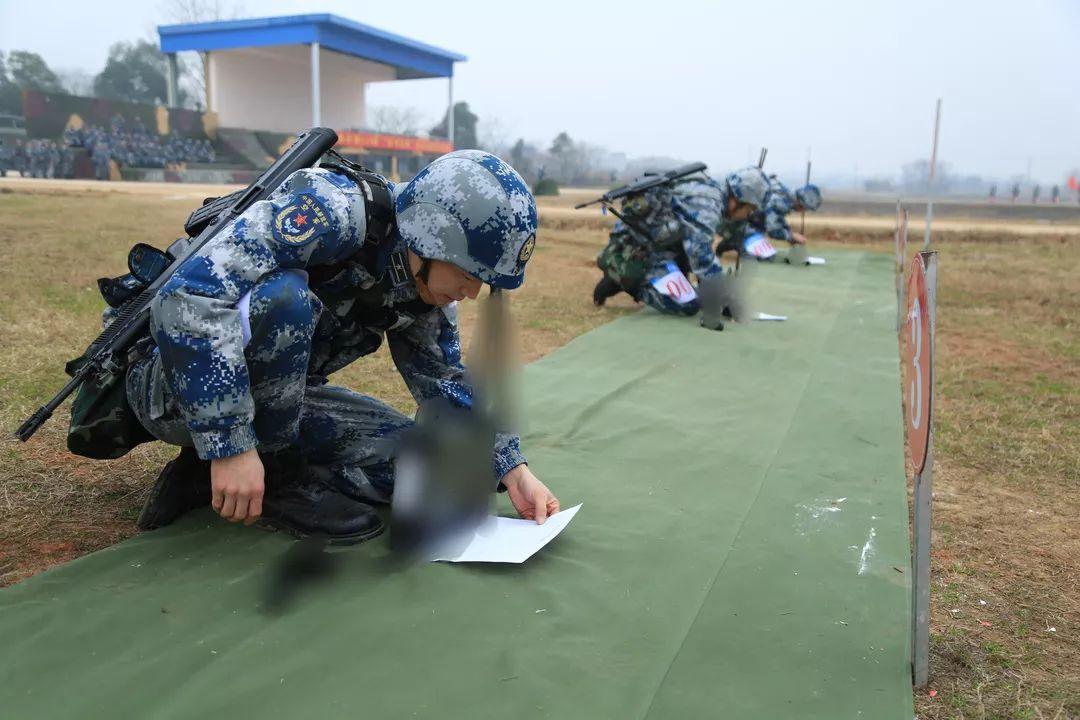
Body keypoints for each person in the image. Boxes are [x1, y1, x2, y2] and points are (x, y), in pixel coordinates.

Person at [122, 149, 558, 544]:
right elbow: (188, 297)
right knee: (284, 298)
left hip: (282, 405)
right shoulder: (334, 211)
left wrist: (511, 469)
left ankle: (209, 475)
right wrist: (229, 445)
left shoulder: (424, 285)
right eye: (469, 275)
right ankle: (272, 476)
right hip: (172, 386)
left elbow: (443, 383)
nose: (473, 291)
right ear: (430, 237)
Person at [592, 166, 769, 318]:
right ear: (738, 200)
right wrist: (724, 298)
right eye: (750, 209)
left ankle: (639, 275)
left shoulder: (711, 192)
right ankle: (625, 278)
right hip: (638, 251)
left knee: (701, 296)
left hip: (660, 247)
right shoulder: (708, 205)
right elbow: (701, 257)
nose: (749, 215)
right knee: (688, 305)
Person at [732, 176, 822, 261]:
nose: (804, 211)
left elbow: (778, 219)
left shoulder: (785, 197)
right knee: (766, 256)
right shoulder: (780, 201)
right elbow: (773, 230)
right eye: (805, 208)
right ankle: (733, 243)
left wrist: (789, 233)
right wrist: (791, 236)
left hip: (746, 221)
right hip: (738, 222)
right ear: (801, 204)